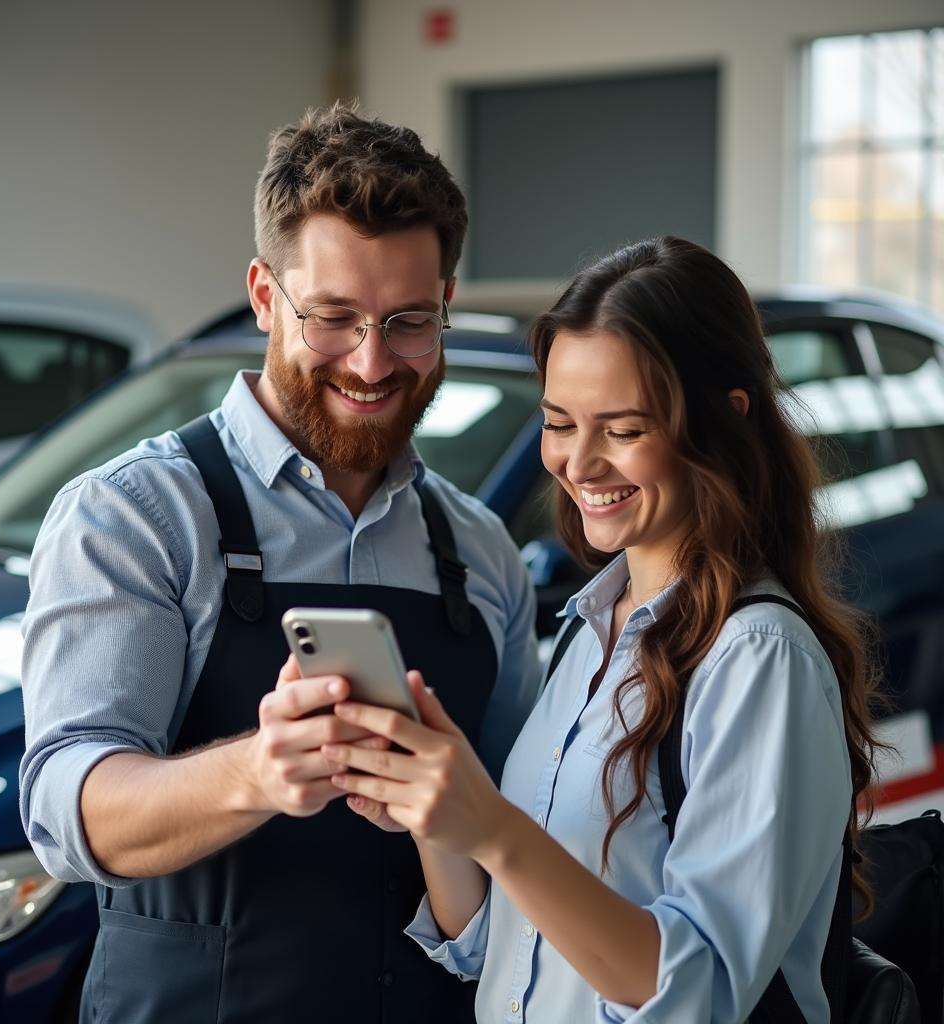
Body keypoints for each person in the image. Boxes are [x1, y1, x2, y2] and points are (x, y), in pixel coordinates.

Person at [19, 104, 541, 1024]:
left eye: (410, 322)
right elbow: (67, 810)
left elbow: (517, 830)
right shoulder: (138, 516)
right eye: (333, 318)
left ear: (446, 305)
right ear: (266, 295)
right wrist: (257, 773)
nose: (374, 363)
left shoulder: (480, 550)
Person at [321, 236, 881, 1022]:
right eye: (559, 422)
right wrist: (443, 824)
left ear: (725, 421)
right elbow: (497, 945)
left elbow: (701, 992)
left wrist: (499, 829)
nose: (578, 463)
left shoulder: (759, 660)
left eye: (620, 430)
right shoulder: (590, 632)